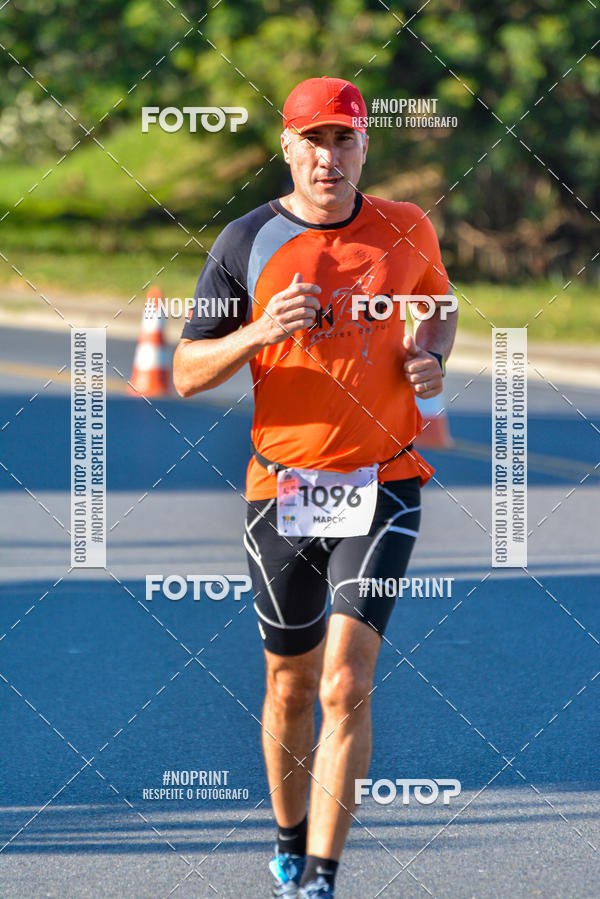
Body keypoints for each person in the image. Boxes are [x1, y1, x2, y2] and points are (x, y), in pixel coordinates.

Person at [173, 76, 457, 899]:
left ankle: (322, 879)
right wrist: (261, 328)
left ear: (366, 146)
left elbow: (437, 302)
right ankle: (291, 841)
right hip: (282, 488)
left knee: (346, 681)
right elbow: (186, 372)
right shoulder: (246, 241)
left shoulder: (406, 228)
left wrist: (429, 355)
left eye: (344, 140)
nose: (328, 157)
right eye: (313, 140)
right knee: (291, 685)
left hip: (386, 480)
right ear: (288, 147)